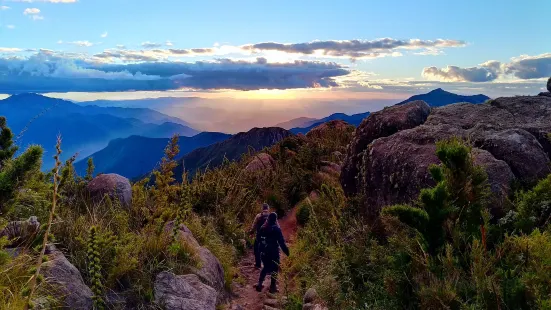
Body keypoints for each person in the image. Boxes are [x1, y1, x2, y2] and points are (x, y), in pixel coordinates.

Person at [254, 212, 290, 293]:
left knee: (265, 267)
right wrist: (287, 252)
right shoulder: (276, 229)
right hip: (273, 253)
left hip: (263, 252)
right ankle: (272, 287)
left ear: (268, 219)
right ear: (275, 220)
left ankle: (259, 284)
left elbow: (258, 239)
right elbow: (281, 242)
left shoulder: (263, 227)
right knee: (274, 269)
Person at [249, 203, 270, 269]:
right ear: (268, 209)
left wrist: (251, 232)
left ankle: (258, 264)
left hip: (259, 236)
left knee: (256, 249)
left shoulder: (258, 216)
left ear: (262, 209)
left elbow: (254, 226)